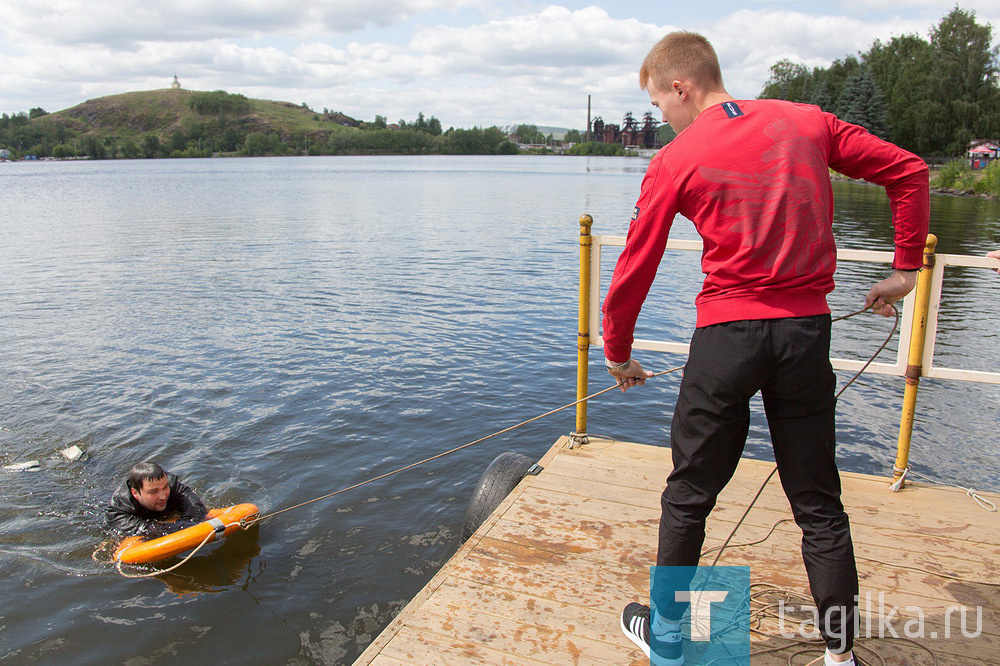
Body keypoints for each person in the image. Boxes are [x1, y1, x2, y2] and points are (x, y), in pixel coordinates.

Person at [604, 32, 929, 666]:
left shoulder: (676, 158)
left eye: (660, 104)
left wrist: (617, 350)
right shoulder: (808, 122)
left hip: (726, 339)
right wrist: (905, 268)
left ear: (681, 86)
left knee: (690, 493)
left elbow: (636, 262)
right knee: (818, 501)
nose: (664, 120)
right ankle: (839, 657)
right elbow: (910, 171)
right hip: (806, 335)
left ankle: (668, 638)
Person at [106, 462, 208, 537]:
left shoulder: (173, 485)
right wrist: (175, 528)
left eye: (165, 488)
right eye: (153, 492)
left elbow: (196, 507)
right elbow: (144, 530)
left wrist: (185, 523)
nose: (163, 496)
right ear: (135, 493)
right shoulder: (119, 511)